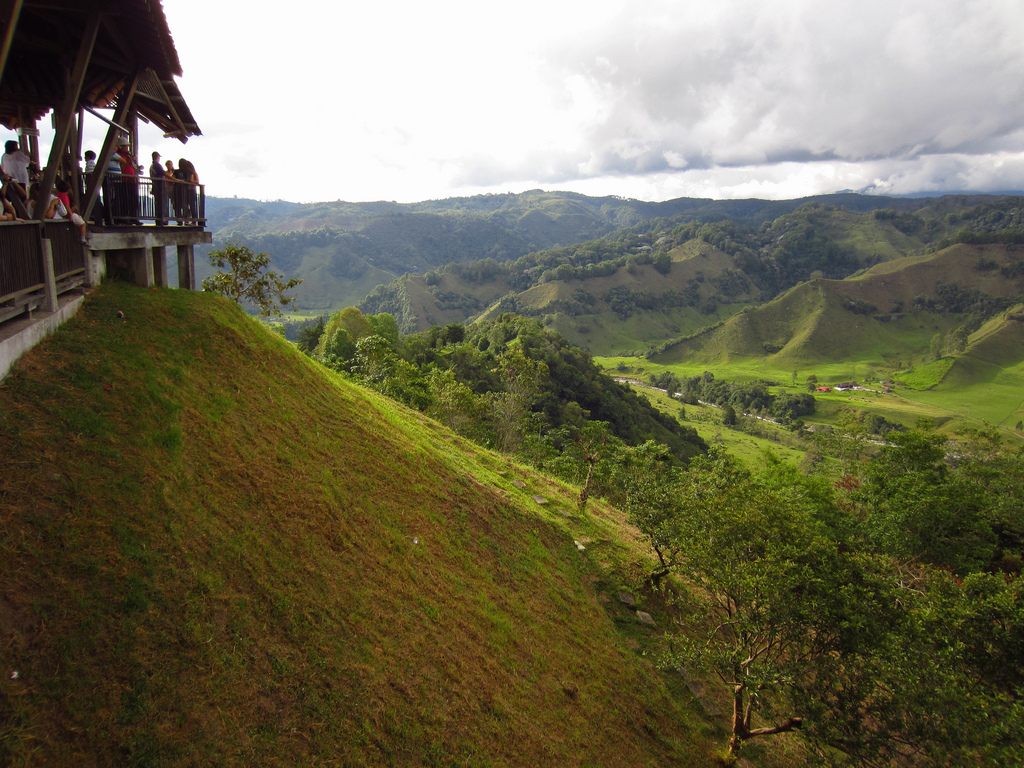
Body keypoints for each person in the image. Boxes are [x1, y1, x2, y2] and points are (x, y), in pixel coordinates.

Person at [149, 150, 166, 225]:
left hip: (155, 186)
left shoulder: (152, 166)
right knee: (161, 203)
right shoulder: (157, 165)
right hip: (159, 187)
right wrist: (175, 179)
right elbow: (163, 173)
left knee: (158, 203)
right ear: (157, 157)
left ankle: (159, 219)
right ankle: (161, 219)